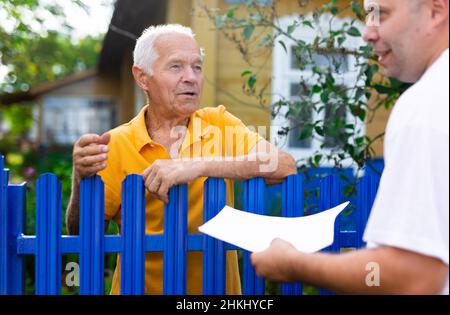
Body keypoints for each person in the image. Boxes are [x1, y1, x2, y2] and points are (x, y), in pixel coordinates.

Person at [65, 24, 297, 294]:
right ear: (142, 77)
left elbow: (284, 166)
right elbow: (81, 235)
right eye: (176, 67)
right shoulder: (115, 143)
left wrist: (197, 165)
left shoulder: (219, 124)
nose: (191, 77)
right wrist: (81, 177)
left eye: (197, 67)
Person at [251, 0, 449, 294]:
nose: (367, 33)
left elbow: (414, 277)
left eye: (382, 13)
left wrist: (293, 264)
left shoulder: (426, 106)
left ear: (435, 11)